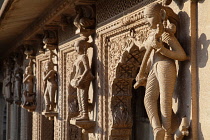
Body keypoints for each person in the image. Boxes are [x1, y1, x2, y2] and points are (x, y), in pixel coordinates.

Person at [134, 3, 187, 140]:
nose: (147, 20)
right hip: (154, 67)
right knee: (148, 99)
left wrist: (162, 49)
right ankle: (157, 128)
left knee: (165, 101)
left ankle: (169, 133)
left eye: (150, 17)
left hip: (165, 66)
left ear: (161, 15)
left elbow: (181, 55)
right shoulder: (153, 33)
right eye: (146, 17)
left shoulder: (164, 34)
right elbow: (147, 50)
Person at [70, 39, 94, 121]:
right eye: (75, 47)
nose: (75, 49)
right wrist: (75, 79)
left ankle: (85, 114)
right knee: (79, 97)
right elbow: (77, 71)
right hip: (78, 79)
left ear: (82, 47)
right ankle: (81, 113)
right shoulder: (78, 57)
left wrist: (81, 79)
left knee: (83, 96)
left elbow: (87, 69)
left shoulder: (84, 56)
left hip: (84, 79)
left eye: (77, 47)